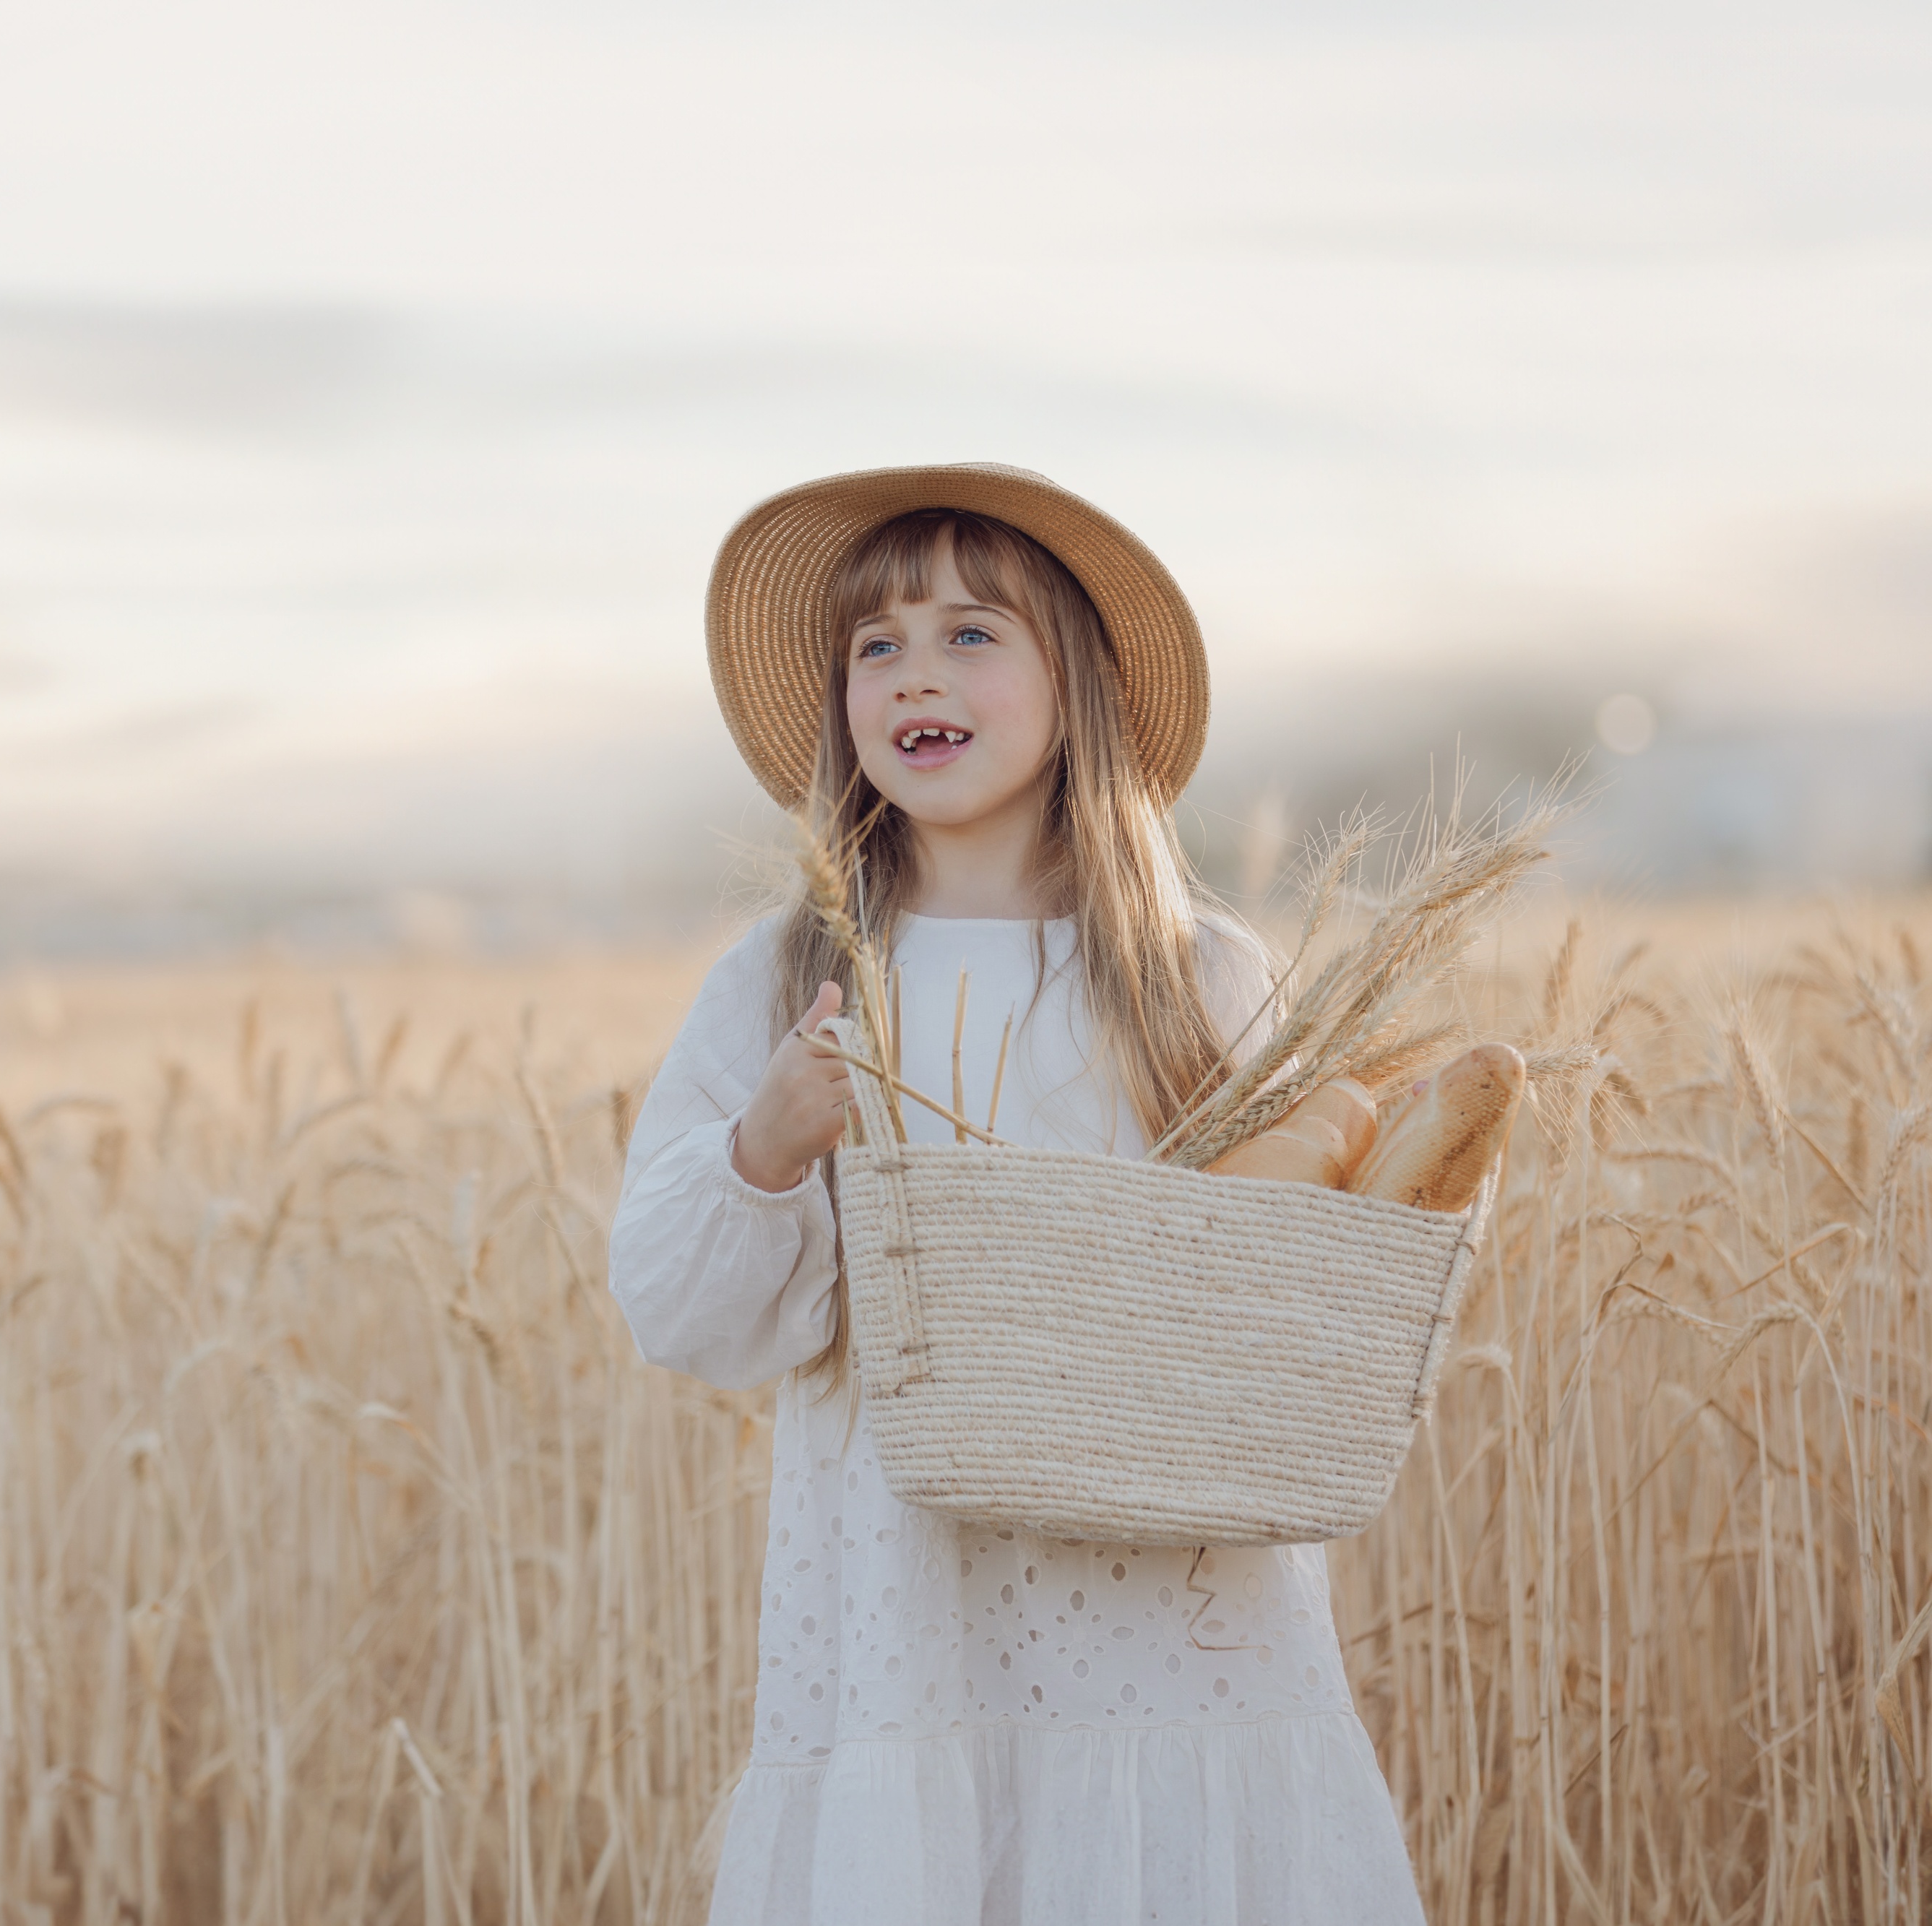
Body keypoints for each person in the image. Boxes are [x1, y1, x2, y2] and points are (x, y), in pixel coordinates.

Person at [608, 466, 1427, 1923]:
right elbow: (673, 1308)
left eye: (971, 633)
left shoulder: (1193, 975)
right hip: (911, 1621)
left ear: (1077, 685)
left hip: (1176, 1622)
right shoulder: (789, 979)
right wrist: (764, 1145)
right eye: (876, 644)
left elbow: (1291, 1275)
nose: (915, 672)